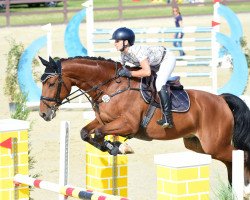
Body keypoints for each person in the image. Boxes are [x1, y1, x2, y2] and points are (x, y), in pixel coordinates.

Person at [111, 27, 176, 128]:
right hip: (154, 63)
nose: (115, 43)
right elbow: (119, 69)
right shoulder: (123, 54)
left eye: (117, 41)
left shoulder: (137, 51)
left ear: (126, 42)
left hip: (166, 59)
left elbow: (147, 72)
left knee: (159, 84)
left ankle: (168, 118)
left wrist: (130, 73)